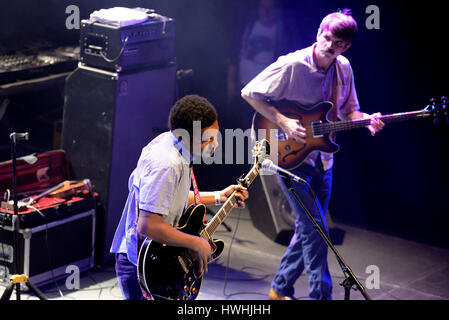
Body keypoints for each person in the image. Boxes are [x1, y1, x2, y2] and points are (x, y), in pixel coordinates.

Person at [241, 9, 385, 300]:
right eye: (327, 38)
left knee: (308, 228)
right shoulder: (292, 65)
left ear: (347, 46)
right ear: (319, 33)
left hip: (323, 160)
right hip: (289, 159)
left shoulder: (343, 68)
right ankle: (322, 296)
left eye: (339, 43)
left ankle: (279, 288)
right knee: (316, 229)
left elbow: (348, 112)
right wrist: (282, 120)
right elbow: (249, 92)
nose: (331, 46)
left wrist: (367, 119)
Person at [110, 94, 249, 300]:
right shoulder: (167, 164)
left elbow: (171, 199)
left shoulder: (175, 144)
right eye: (207, 139)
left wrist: (220, 196)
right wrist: (196, 243)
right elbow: (148, 226)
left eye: (215, 136)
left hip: (161, 257)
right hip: (144, 265)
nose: (215, 145)